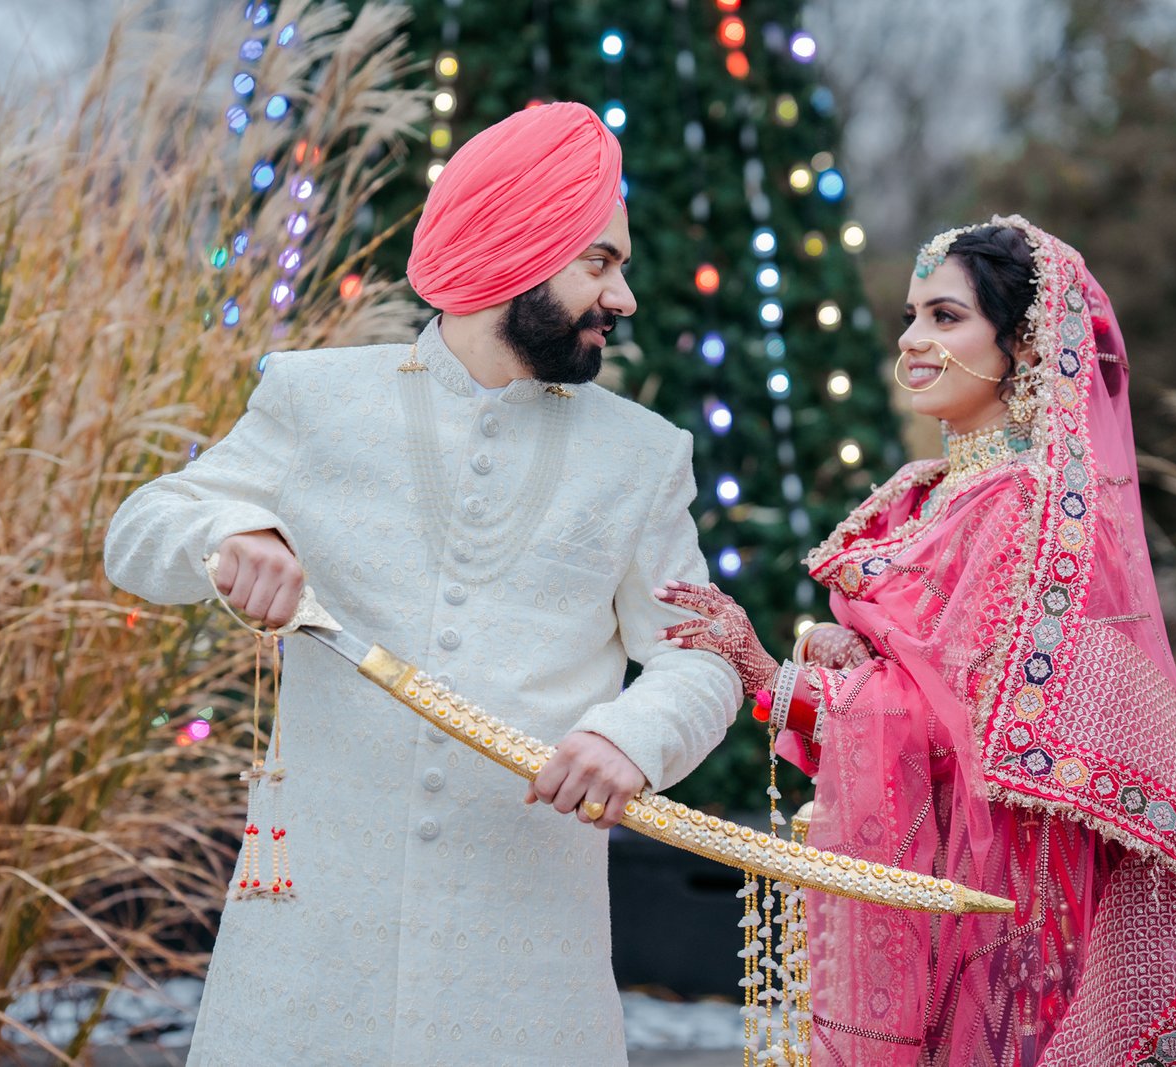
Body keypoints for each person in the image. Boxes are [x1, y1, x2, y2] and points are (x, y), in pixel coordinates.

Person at [103, 102, 741, 1066]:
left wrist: (629, 738)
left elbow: (703, 658)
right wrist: (233, 533)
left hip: (526, 958)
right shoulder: (315, 397)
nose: (624, 298)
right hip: (312, 946)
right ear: (517, 249)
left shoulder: (643, 458)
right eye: (600, 263)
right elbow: (138, 531)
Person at [657, 216, 1176, 1066]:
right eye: (911, 316)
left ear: (1021, 343)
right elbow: (937, 670)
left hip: (1008, 903)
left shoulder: (1023, 505)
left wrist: (766, 669)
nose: (911, 340)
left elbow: (967, 728)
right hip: (958, 881)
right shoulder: (939, 493)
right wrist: (858, 657)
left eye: (945, 317)